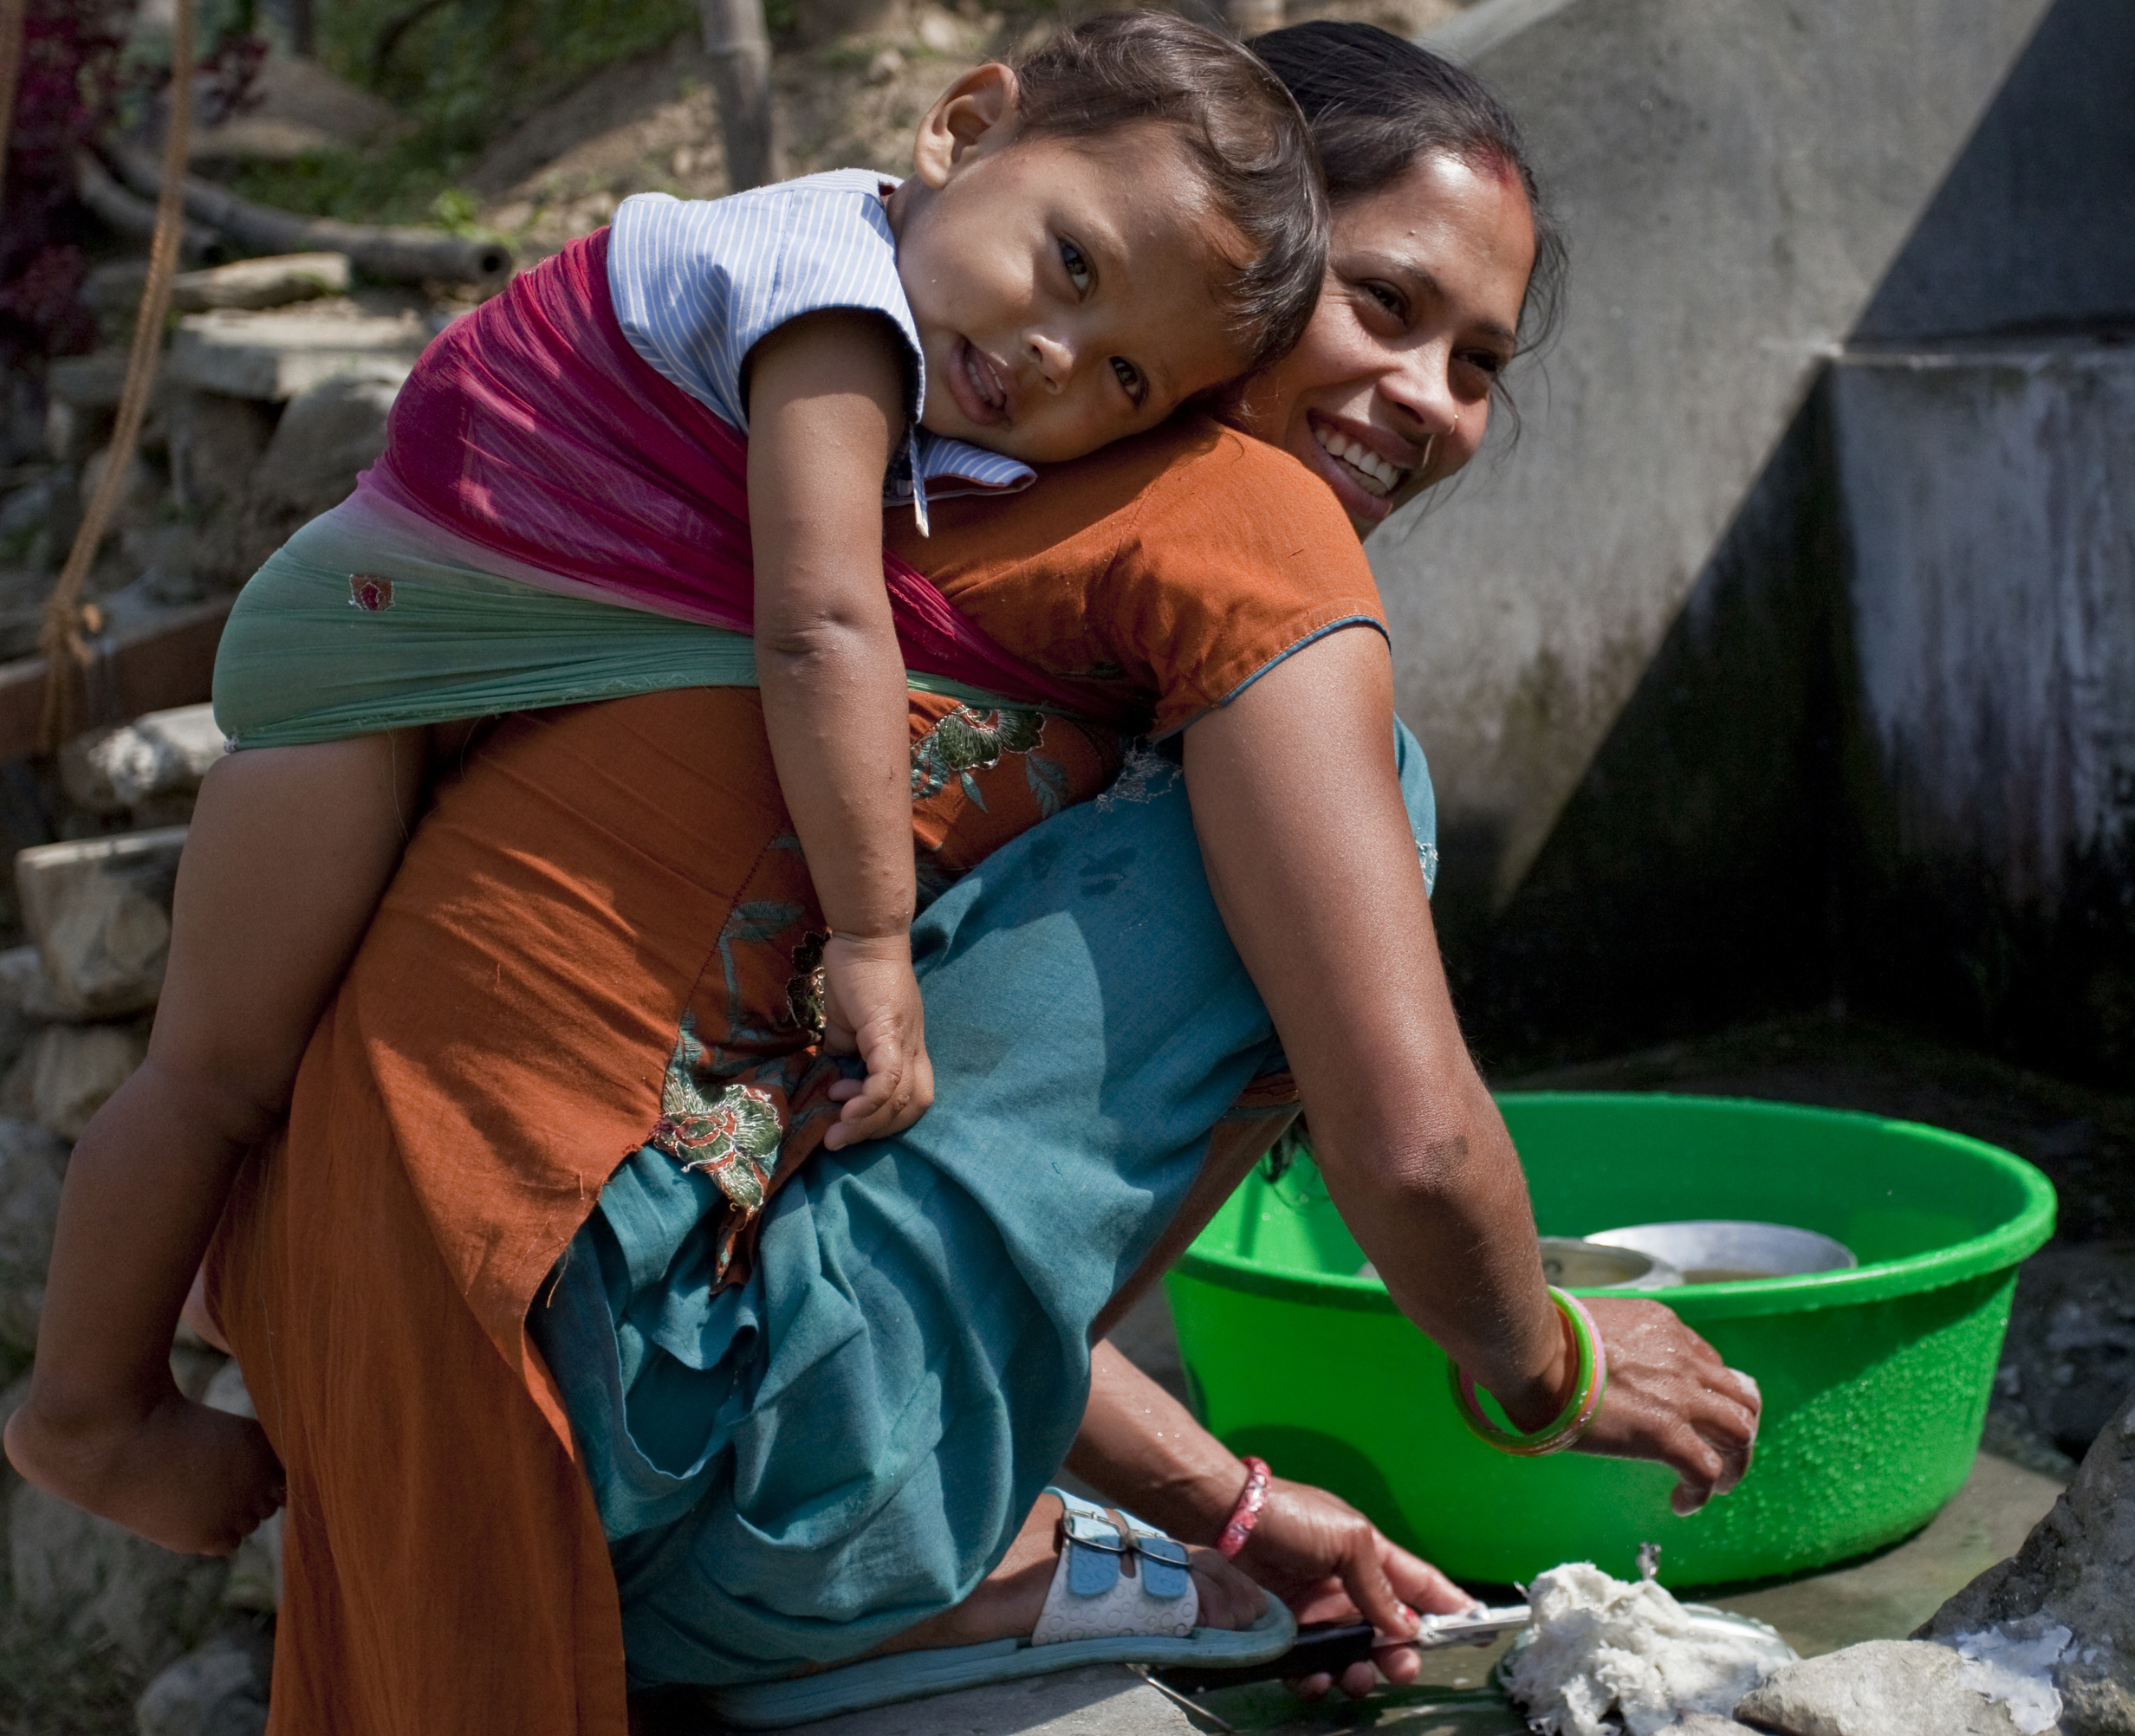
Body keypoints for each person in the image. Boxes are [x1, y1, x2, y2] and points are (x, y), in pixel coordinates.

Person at [106, 23, 1754, 1731]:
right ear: (1240, 276)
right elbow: (1405, 1139)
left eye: (1475, 364)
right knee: (1355, 807)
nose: (1423, 396)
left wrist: (1229, 1506)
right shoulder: (1238, 522)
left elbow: (873, 1162)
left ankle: (884, 1521)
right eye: (1383, 307)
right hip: (623, 1444)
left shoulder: (870, 454)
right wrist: (1545, 1367)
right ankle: (863, 1558)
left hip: (386, 1374)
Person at [7, 12, 1329, 1560]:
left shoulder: (908, 313)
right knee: (215, 1070)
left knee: (281, 1072)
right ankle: (86, 1409)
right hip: (367, 674)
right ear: (962, 130)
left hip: (477, 658)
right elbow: (821, 623)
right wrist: (873, 934)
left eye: (1123, 377)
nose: (1051, 355)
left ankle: (237, 1315)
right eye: (1074, 265)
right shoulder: (834, 305)